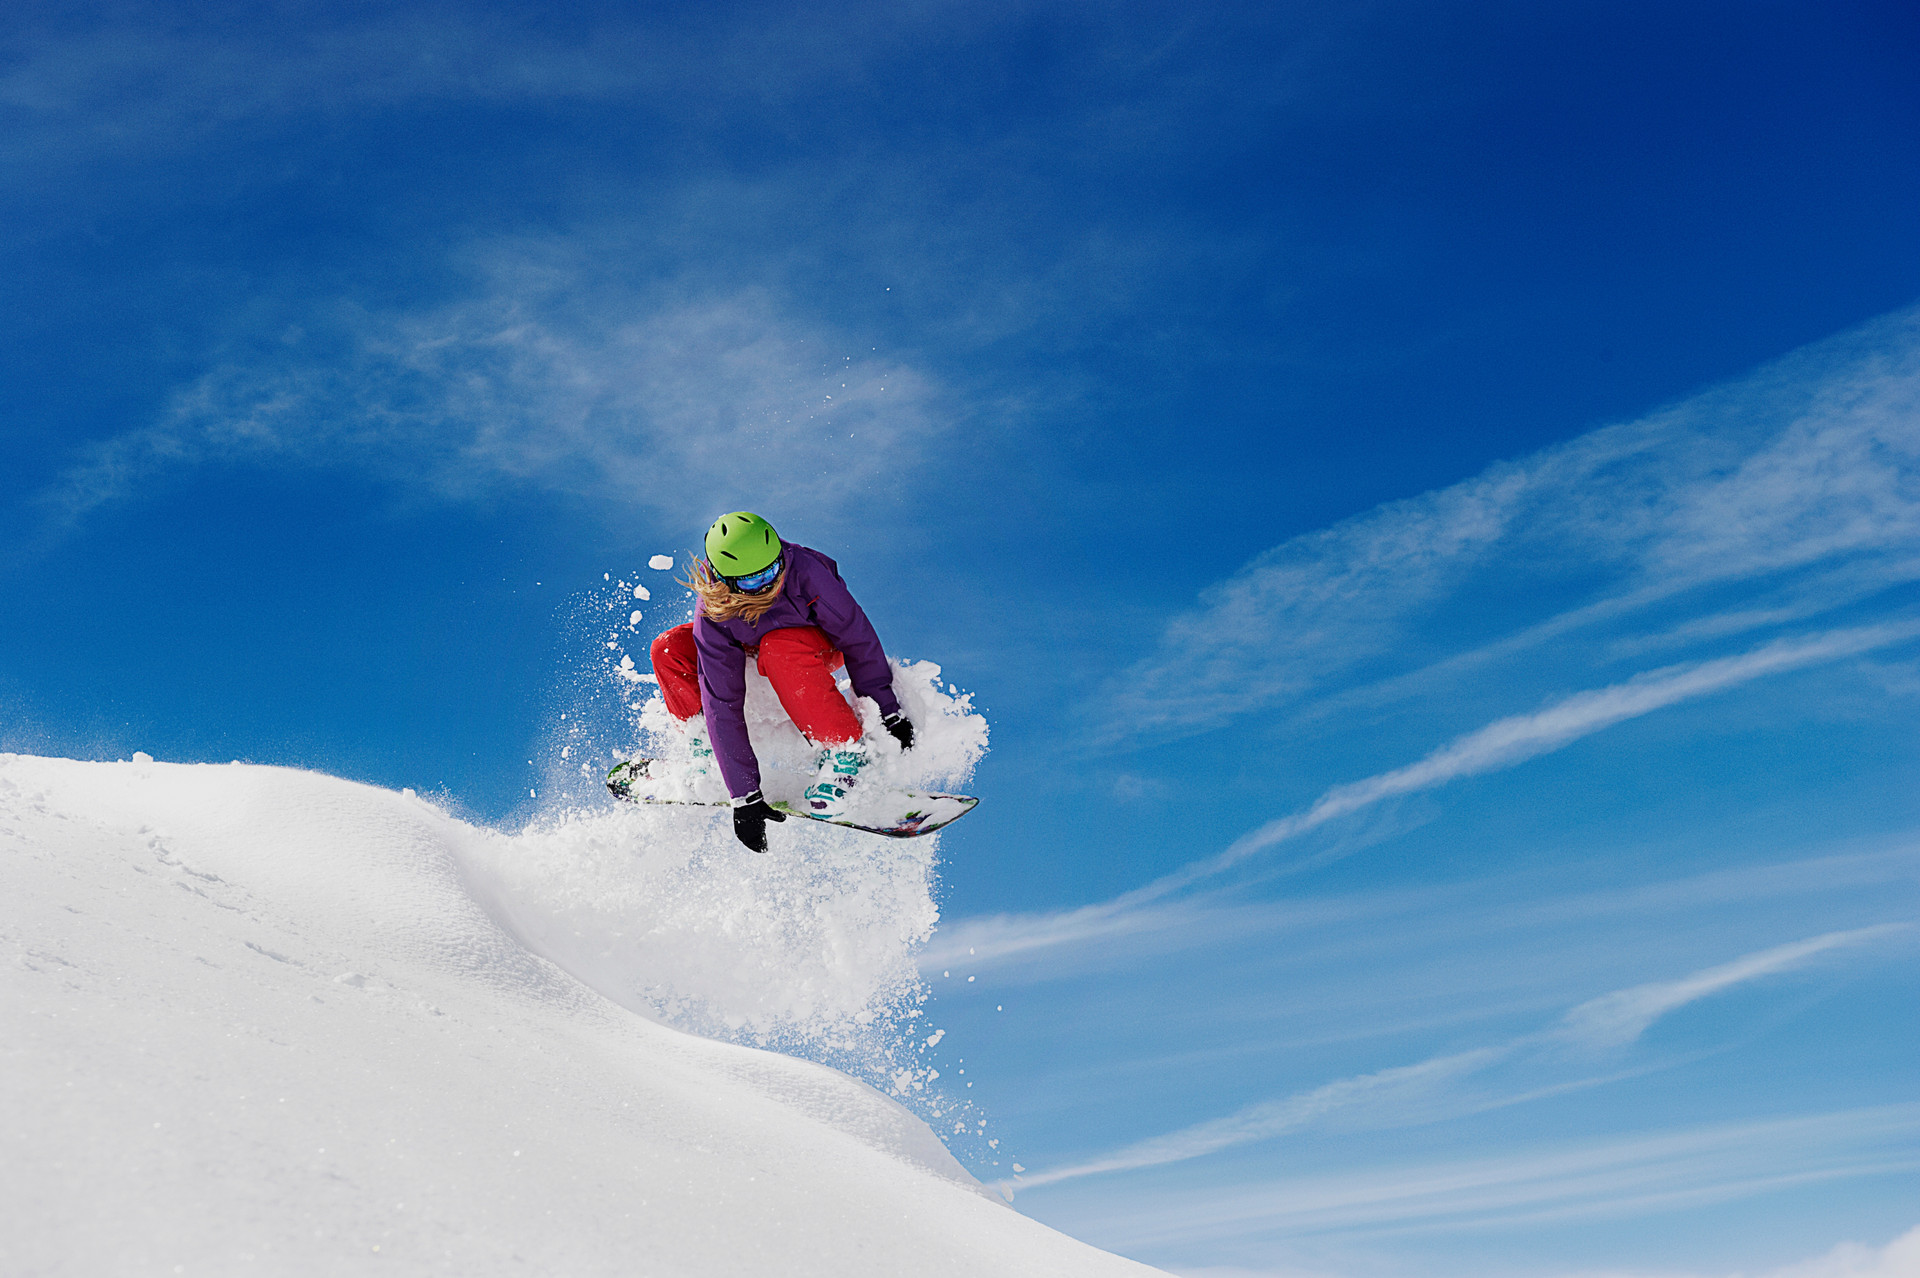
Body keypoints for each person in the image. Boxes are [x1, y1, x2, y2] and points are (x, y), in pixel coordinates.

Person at [648, 511, 914, 851]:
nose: (767, 584)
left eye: (772, 570)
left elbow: (857, 639)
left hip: (813, 645)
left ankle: (846, 753)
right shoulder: (713, 611)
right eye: (749, 581)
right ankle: (708, 751)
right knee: (668, 649)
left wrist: (887, 709)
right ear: (723, 579)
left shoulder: (806, 572)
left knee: (779, 649)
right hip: (751, 647)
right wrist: (744, 794)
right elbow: (721, 701)